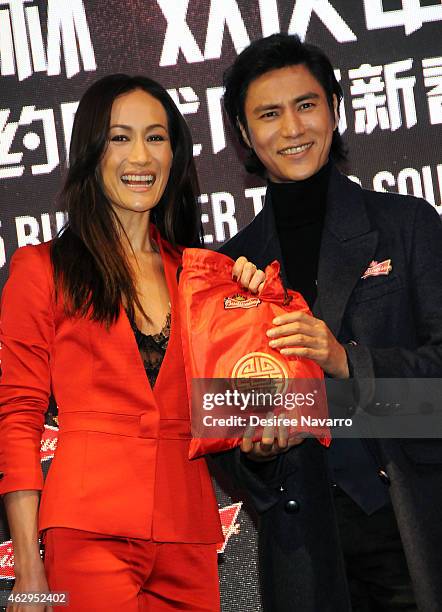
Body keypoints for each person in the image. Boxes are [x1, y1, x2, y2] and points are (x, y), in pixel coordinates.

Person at [0, 73, 247, 612]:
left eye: (157, 137)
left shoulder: (204, 275)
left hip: (188, 534)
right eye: (120, 137)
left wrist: (257, 305)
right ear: (91, 151)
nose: (142, 155)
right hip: (88, 531)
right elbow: (18, 418)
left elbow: (235, 405)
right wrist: (29, 569)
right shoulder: (42, 269)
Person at [212, 34, 442, 612]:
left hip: (406, 528)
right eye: (269, 113)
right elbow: (221, 422)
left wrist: (346, 362)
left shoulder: (407, 225)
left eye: (307, 105)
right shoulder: (227, 269)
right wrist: (255, 455)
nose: (292, 128)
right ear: (243, 134)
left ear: (336, 110)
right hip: (303, 544)